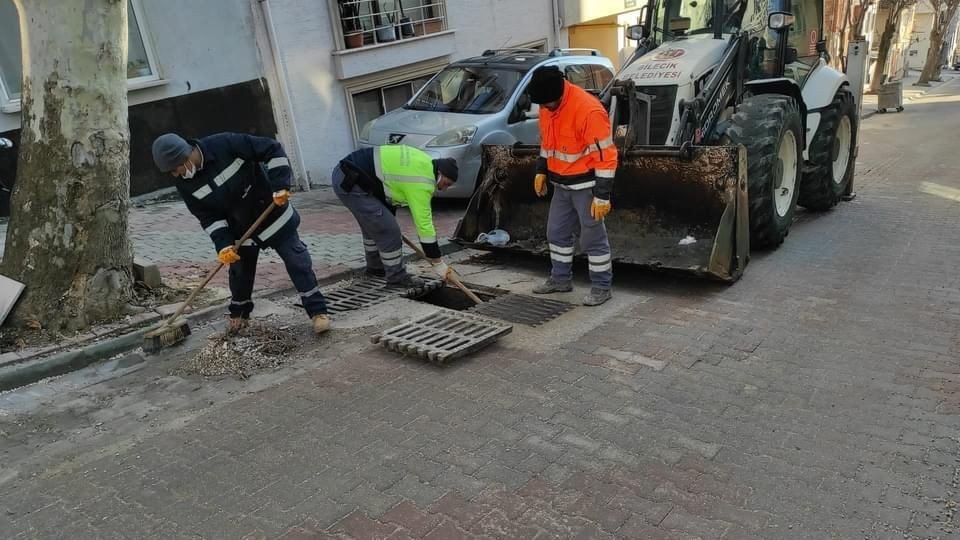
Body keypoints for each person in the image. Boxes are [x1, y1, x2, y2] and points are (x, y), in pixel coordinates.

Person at [151, 132, 331, 335]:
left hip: (272, 213)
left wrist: (280, 185)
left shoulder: (225, 144)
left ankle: (318, 312)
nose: (175, 175)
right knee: (239, 273)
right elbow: (208, 217)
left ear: (185, 157)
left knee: (297, 261)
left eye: (175, 169)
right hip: (240, 228)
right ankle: (239, 315)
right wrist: (223, 245)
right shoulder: (185, 184)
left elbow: (272, 149)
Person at [528, 65, 618, 306]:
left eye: (547, 103)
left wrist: (602, 195)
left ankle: (601, 287)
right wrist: (541, 169)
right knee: (556, 233)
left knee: (592, 238)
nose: (544, 108)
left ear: (558, 94)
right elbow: (547, 142)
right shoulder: (547, 106)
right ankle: (560, 280)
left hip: (586, 186)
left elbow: (606, 156)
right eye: (541, 104)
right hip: (561, 184)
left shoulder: (588, 110)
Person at [331, 144, 458, 287]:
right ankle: (396, 277)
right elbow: (424, 225)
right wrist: (437, 260)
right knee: (389, 232)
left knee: (374, 227)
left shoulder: (424, 161)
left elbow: (392, 186)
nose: (444, 189)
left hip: (350, 174)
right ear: (439, 173)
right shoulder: (423, 182)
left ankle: (375, 269)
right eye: (446, 183)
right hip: (352, 181)